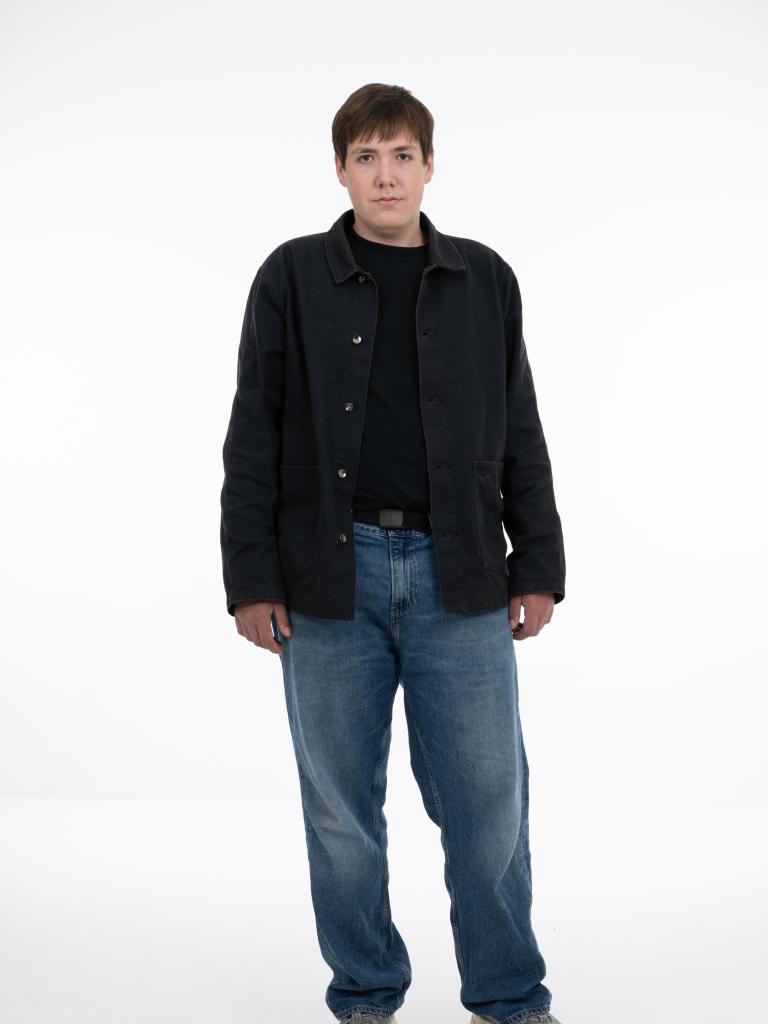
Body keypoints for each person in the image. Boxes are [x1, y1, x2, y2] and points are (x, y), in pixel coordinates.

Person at [220, 83, 566, 1024]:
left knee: (490, 805)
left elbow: (520, 425)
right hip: (327, 580)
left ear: (429, 165)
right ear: (340, 169)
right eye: (366, 157)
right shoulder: (291, 276)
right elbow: (253, 433)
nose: (386, 174)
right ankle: (367, 996)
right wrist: (251, 579)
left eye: (402, 155)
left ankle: (509, 998)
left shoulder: (484, 278)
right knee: (341, 812)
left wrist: (537, 560)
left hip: (464, 573)